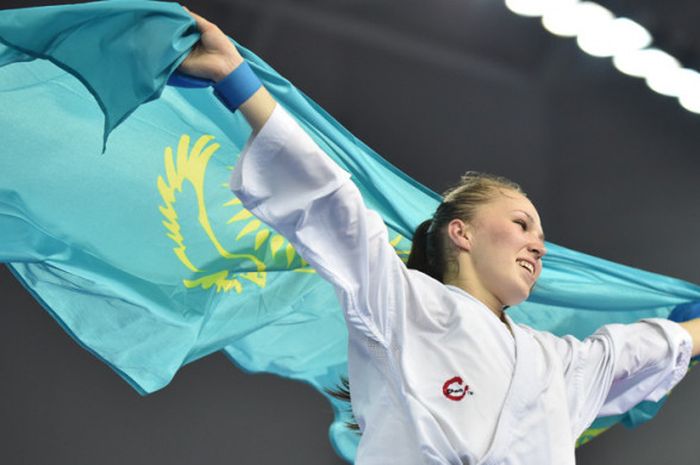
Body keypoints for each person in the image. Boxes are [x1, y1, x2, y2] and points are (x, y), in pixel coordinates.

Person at [178, 10, 700, 465]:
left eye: (540, 234)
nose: (540, 245)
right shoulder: (403, 305)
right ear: (461, 233)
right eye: (521, 224)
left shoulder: (561, 362)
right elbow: (329, 203)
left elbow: (655, 345)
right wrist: (235, 78)